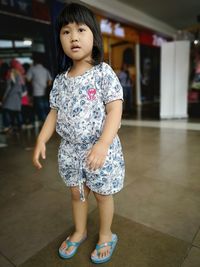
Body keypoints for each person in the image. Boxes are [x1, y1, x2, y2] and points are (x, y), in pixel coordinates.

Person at [32, 3, 125, 264]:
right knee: (77, 193)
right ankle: (80, 231)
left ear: (94, 36)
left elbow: (115, 109)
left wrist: (103, 144)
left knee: (102, 194)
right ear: (59, 39)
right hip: (71, 151)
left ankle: (106, 234)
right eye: (66, 31)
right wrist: (41, 139)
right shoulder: (61, 80)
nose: (73, 36)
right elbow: (54, 112)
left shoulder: (102, 73)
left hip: (99, 148)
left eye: (81, 29)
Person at [26, 54, 52, 123]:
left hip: (36, 92)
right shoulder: (45, 70)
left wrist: (34, 81)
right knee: (46, 107)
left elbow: (27, 79)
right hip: (45, 92)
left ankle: (44, 123)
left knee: (40, 109)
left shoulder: (32, 69)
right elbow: (50, 81)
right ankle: (48, 121)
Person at [1, 59, 24, 133]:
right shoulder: (19, 73)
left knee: (5, 110)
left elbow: (8, 86)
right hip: (18, 95)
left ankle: (7, 126)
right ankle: (19, 126)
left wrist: (5, 96)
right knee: (16, 111)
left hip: (11, 95)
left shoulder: (11, 72)